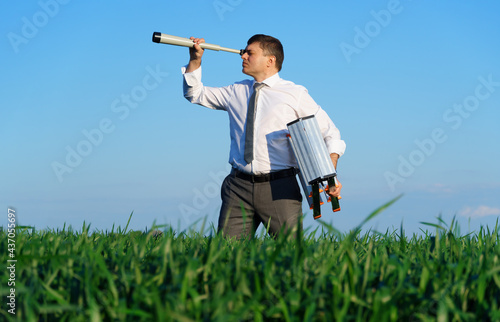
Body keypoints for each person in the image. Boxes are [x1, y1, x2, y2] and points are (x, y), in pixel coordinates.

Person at [182, 34, 346, 239]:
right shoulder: (236, 91)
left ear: (270, 61)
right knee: (227, 257)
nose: (243, 56)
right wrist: (195, 59)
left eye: (250, 53)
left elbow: (331, 133)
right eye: (244, 52)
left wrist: (329, 172)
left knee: (290, 256)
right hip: (237, 187)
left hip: (280, 188)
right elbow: (194, 93)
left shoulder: (295, 94)